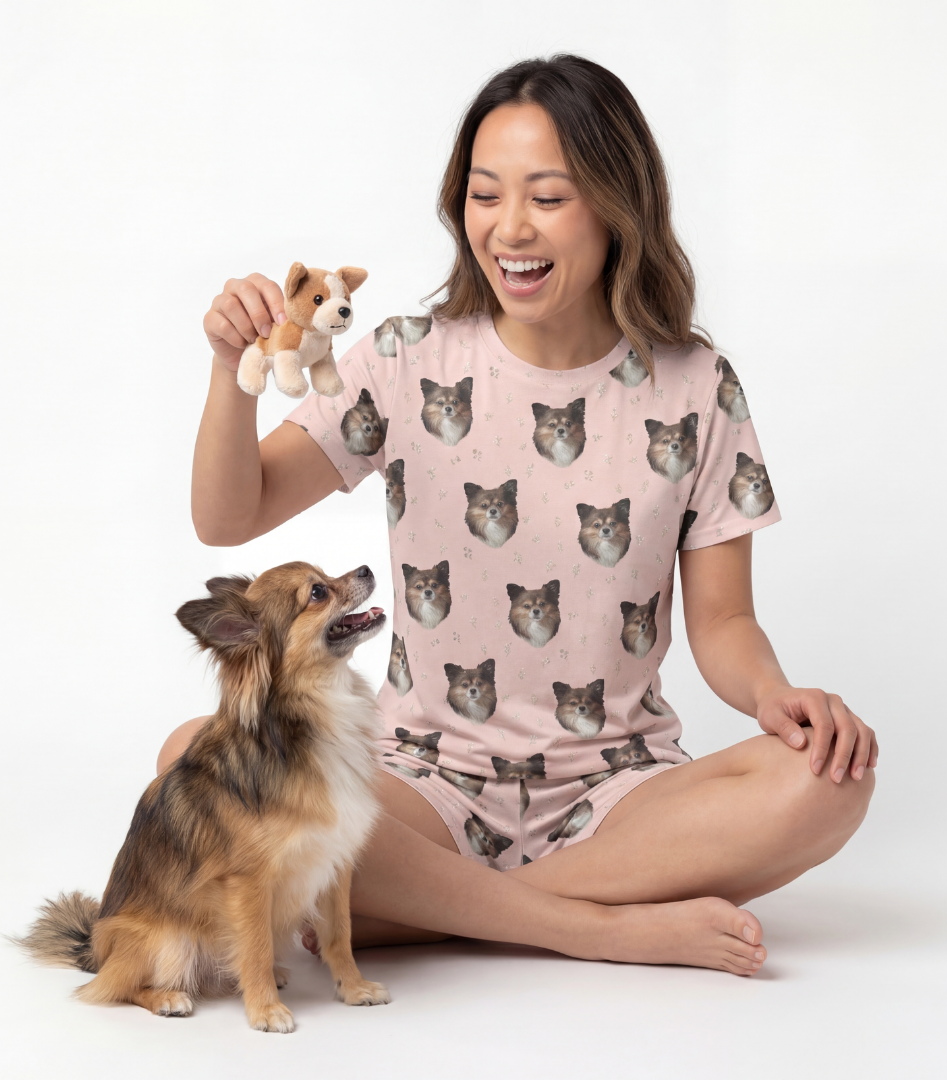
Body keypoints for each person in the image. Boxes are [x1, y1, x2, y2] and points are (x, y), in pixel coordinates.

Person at [160, 55, 876, 977]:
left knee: (829, 784)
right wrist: (230, 373)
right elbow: (230, 516)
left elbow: (726, 622)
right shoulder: (405, 358)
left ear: (619, 204)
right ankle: (595, 924)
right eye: (485, 194)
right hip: (418, 782)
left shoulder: (698, 387)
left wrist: (775, 697)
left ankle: (425, 908)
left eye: (548, 196)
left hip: (621, 791)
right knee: (192, 754)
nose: (509, 228)